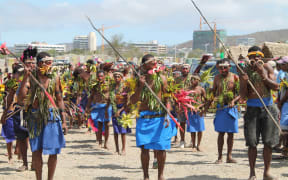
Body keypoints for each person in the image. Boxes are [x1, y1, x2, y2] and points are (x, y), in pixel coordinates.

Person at [18, 52, 67, 180]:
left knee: (53, 151)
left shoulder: (55, 77)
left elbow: (59, 98)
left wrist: (64, 120)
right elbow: (21, 98)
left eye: (50, 62)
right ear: (39, 63)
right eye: (45, 62)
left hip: (52, 117)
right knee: (36, 151)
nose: (48, 65)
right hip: (35, 117)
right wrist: (25, 77)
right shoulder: (31, 77)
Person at [239, 46, 279, 180]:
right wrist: (244, 83)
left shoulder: (267, 67)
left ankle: (266, 172)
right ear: (248, 58)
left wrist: (263, 74)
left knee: (268, 142)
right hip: (252, 109)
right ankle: (252, 173)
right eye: (252, 56)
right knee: (252, 143)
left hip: (268, 107)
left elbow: (275, 86)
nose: (256, 58)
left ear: (261, 57)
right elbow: (243, 96)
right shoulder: (244, 71)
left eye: (258, 56)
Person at [130, 54, 173, 180]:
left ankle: (160, 175)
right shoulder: (137, 80)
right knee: (144, 149)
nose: (155, 63)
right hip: (144, 118)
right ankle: (146, 176)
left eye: (155, 61)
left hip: (159, 117)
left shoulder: (163, 79)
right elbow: (133, 101)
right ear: (144, 65)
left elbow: (167, 98)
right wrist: (141, 86)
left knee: (161, 149)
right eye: (151, 62)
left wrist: (167, 114)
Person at [13, 47, 37, 171]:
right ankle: (25, 163)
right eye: (28, 63)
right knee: (22, 138)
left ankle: (34, 162)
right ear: (24, 64)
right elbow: (20, 97)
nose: (31, 65)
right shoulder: (20, 77)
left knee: (34, 138)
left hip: (35, 112)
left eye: (33, 63)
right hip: (21, 111)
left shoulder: (40, 76)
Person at [212, 59, 240, 164]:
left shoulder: (235, 77)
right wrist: (210, 101)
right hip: (221, 108)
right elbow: (213, 92)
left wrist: (233, 101)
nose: (223, 70)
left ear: (229, 67)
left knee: (231, 133)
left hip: (231, 108)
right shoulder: (217, 78)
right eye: (220, 68)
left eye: (225, 67)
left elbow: (240, 93)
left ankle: (229, 156)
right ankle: (220, 157)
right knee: (221, 133)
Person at [1, 64, 23, 163]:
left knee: (20, 134)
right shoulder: (8, 83)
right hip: (10, 112)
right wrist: (5, 113)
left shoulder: (26, 83)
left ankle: (18, 151)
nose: (21, 75)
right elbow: (5, 97)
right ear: (14, 74)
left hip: (21, 112)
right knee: (9, 135)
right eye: (19, 73)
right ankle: (10, 155)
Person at [85, 70, 111, 149]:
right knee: (99, 124)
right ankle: (100, 141)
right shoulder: (95, 86)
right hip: (97, 106)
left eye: (101, 76)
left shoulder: (108, 85)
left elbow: (111, 97)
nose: (100, 78)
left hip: (106, 106)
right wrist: (88, 106)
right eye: (98, 76)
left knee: (107, 125)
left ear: (104, 77)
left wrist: (108, 107)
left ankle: (106, 143)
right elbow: (91, 96)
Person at [110, 70, 131, 155]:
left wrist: (120, 110)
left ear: (121, 78)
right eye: (115, 76)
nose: (117, 78)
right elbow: (110, 99)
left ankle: (123, 149)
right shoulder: (112, 87)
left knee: (122, 130)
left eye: (119, 76)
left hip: (122, 109)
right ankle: (117, 149)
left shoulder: (125, 87)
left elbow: (127, 101)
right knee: (115, 130)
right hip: (114, 109)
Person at [186, 74, 206, 152]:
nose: (194, 81)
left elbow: (206, 101)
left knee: (200, 128)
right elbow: (185, 100)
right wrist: (190, 106)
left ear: (199, 80)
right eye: (193, 79)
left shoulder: (201, 89)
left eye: (196, 79)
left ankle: (199, 145)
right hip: (190, 111)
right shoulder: (188, 89)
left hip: (199, 111)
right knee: (192, 129)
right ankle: (193, 145)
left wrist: (199, 107)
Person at [175, 64, 192, 148]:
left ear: (189, 70)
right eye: (183, 69)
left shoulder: (192, 78)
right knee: (182, 122)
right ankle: (182, 140)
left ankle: (193, 141)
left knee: (192, 122)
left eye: (186, 69)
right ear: (181, 70)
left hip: (191, 102)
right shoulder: (177, 79)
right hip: (181, 103)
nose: (185, 70)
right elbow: (174, 90)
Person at [277, 57, 288, 158]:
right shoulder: (285, 75)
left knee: (285, 129)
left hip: (286, 104)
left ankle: (285, 151)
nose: (281, 66)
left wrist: (281, 101)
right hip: (285, 104)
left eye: (283, 64)